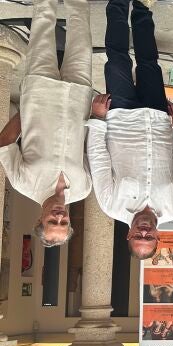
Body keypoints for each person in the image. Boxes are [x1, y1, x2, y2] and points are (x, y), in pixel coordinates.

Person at [87, 0, 173, 260]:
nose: (144, 232)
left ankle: (118, 5)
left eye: (138, 237)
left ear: (128, 235)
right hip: (158, 120)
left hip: (121, 119)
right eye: (149, 238)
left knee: (117, 60)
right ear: (158, 237)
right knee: (149, 63)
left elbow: (98, 160)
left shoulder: (111, 206)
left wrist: (97, 119)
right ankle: (142, 8)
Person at [0, 0, 93, 247]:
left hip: (40, 93)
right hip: (77, 99)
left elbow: (4, 143)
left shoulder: (23, 184)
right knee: (81, 26)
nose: (60, 217)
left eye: (53, 222)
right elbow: (89, 149)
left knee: (43, 20)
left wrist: (28, 113)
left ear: (40, 220)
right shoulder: (83, 189)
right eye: (64, 223)